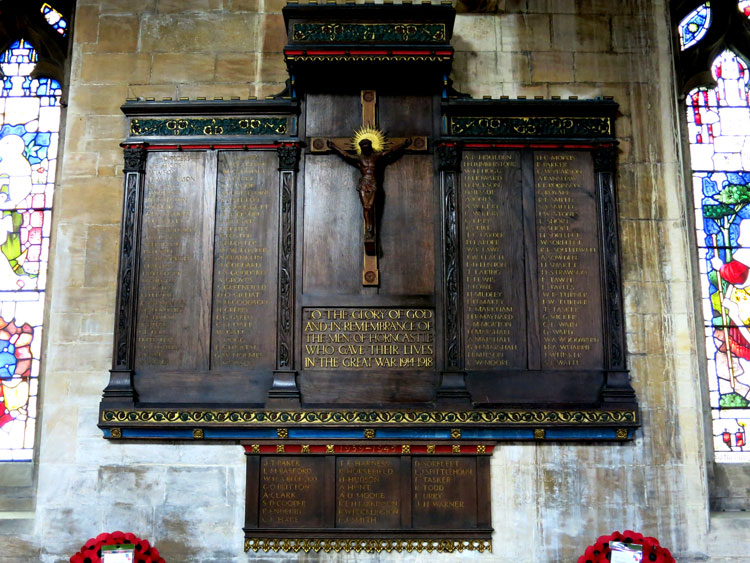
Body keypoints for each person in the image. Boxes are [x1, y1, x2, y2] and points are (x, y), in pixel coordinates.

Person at [328, 136, 411, 254]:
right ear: (361, 148)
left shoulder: (375, 157)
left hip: (372, 183)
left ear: (370, 147)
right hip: (363, 183)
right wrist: (334, 147)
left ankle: (370, 229)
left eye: (367, 147)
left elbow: (391, 152)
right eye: (363, 147)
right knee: (366, 207)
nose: (365, 149)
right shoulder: (358, 158)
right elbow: (345, 155)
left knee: (370, 206)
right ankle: (369, 229)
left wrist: (403, 144)